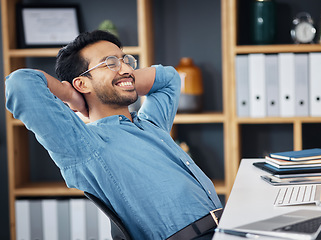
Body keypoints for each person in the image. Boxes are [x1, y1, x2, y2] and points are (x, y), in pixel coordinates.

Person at [5, 30, 222, 240]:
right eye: (110, 63)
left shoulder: (151, 124)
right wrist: (70, 94)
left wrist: (122, 76)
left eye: (125, 60)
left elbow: (169, 78)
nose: (126, 68)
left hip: (225, 229)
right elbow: (20, 84)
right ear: (82, 83)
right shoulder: (85, 145)